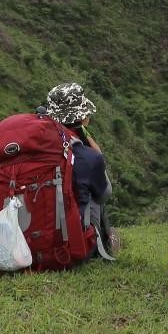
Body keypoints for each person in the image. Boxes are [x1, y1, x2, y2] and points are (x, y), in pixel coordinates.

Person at [36, 82, 115, 258]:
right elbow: (105, 193)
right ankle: (103, 241)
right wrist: (92, 144)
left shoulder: (36, 146)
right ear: (82, 118)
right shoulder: (88, 157)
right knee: (95, 193)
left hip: (29, 241)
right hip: (70, 248)